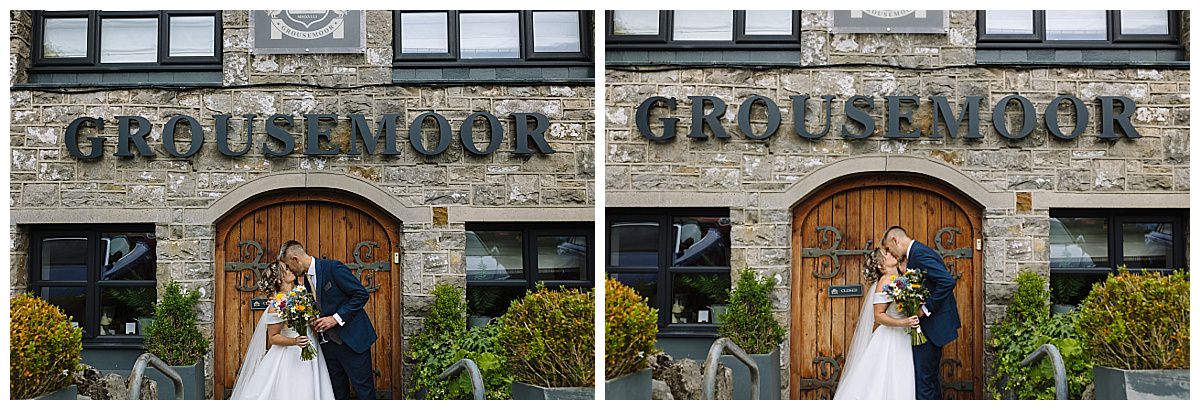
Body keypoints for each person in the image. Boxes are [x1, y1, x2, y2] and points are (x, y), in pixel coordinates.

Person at [279, 240, 378, 400]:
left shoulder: (333, 268)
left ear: (296, 259)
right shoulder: (299, 282)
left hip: (352, 342)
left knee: (364, 392)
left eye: (289, 266)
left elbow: (361, 295)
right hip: (327, 346)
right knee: (337, 394)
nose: (289, 271)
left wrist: (335, 319)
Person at [229, 262, 335, 400]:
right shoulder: (276, 305)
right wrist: (295, 341)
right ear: (279, 279)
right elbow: (273, 338)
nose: (291, 269)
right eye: (286, 269)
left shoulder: (301, 293)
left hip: (311, 347)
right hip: (290, 354)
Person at [881, 225, 961, 400]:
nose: (891, 253)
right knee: (929, 380)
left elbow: (947, 281)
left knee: (923, 382)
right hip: (928, 328)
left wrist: (925, 309)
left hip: (932, 327)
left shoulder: (919, 254)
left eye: (889, 248)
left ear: (895, 240)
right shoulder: (916, 253)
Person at [832, 248, 917, 400]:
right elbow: (878, 316)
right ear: (880, 266)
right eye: (887, 255)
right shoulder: (885, 281)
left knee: (902, 376)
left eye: (891, 253)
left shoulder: (902, 278)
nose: (891, 254)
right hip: (890, 338)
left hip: (904, 336)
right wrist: (903, 322)